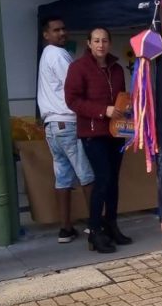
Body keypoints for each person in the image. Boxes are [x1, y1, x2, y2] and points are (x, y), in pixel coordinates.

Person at [64, 27, 130, 253]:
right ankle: (94, 230)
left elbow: (122, 99)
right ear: (89, 43)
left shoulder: (117, 69)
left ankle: (111, 224)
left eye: (104, 41)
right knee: (102, 179)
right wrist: (103, 110)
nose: (100, 45)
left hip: (116, 132)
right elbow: (72, 101)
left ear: (109, 43)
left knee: (113, 181)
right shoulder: (78, 68)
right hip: (93, 133)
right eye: (96, 41)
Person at [37, 16, 95, 244]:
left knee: (62, 178)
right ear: (46, 34)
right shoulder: (59, 55)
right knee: (87, 175)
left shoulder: (46, 54)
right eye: (56, 30)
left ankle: (65, 228)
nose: (62, 33)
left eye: (63, 29)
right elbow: (75, 86)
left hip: (52, 125)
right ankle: (96, 225)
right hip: (67, 122)